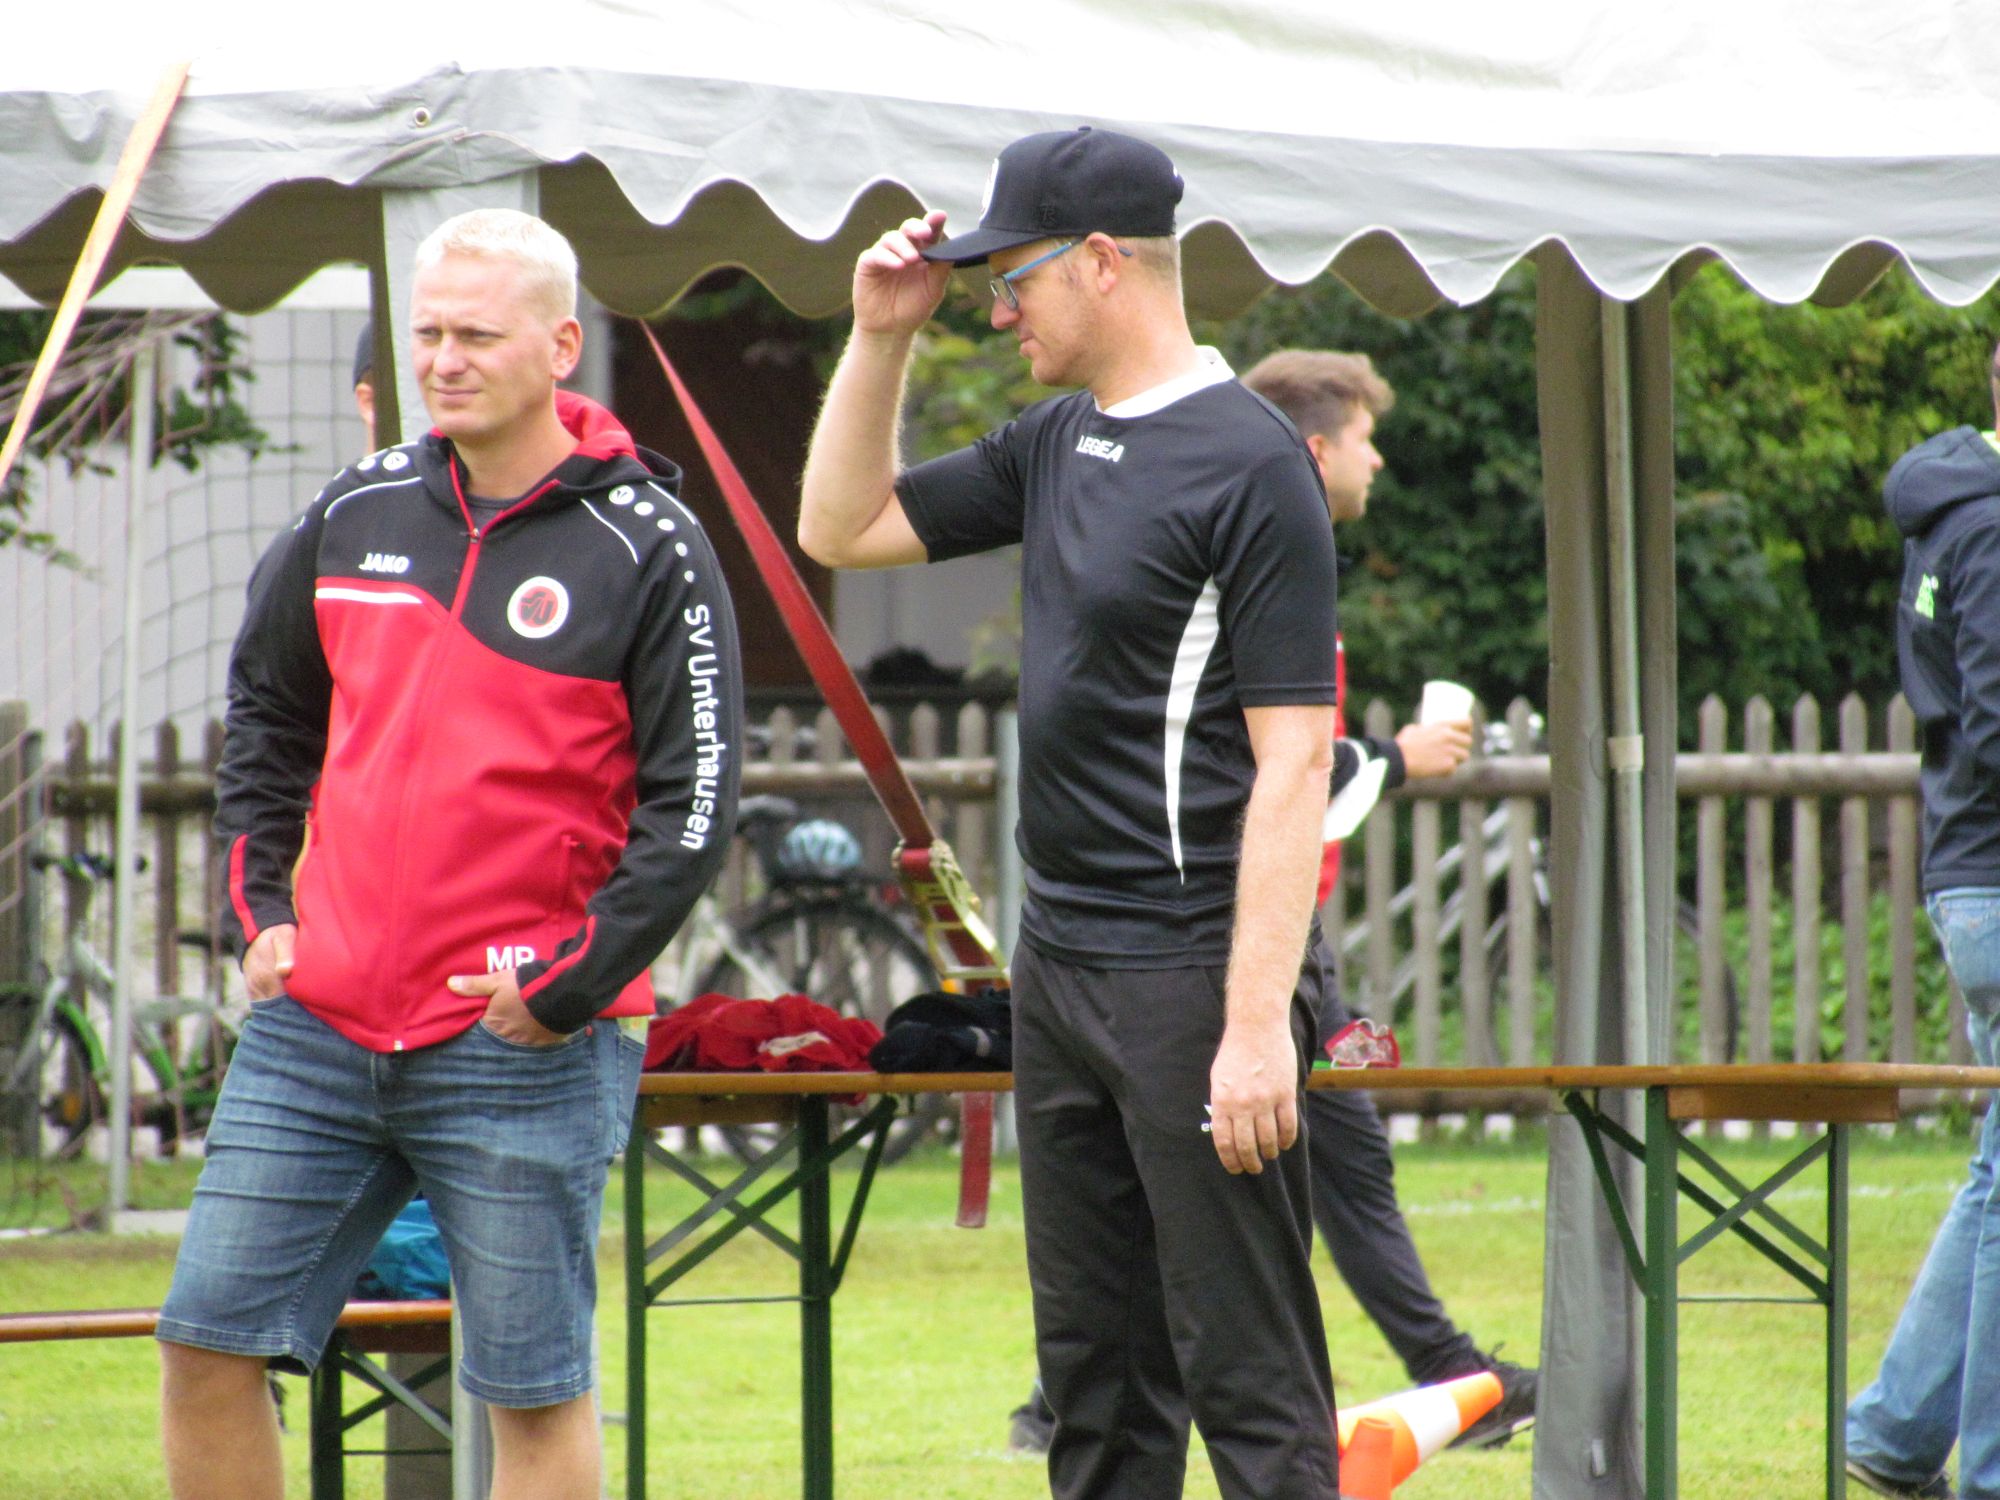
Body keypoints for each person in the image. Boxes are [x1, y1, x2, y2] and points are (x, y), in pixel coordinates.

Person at [155, 207, 742, 1500]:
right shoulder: (354, 506)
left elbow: (694, 806)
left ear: (561, 347)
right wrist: (262, 906)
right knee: (204, 1346)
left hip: (520, 1038)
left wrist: (568, 985)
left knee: (528, 1394)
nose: (443, 360)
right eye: (427, 334)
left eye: (475, 334)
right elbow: (266, 715)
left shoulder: (651, 545)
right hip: (319, 1025)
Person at [800, 127, 1343, 1499]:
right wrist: (879, 338)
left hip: (1189, 975)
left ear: (1102, 263)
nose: (996, 310)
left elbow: (1294, 763)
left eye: (1013, 279)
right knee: (1094, 1392)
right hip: (1059, 965)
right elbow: (840, 527)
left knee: (1252, 1387)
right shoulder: (1056, 439)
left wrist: (1252, 1031)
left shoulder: (1252, 462)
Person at [1241, 349, 1538, 1444]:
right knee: (1302, 1157)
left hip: (1285, 929)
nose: (1379, 461)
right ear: (1317, 450)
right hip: (1259, 929)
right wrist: (1402, 758)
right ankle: (1456, 1377)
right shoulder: (1275, 565)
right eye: (1366, 440)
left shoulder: (1285, 554)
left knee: (1334, 1152)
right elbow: (1281, 772)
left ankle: (1454, 1374)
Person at [1843, 347, 2000, 1500]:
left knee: (1995, 1173)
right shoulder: (1990, 527)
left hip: (1971, 874)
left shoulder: (1956, 512)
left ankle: (1895, 1434)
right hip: (1993, 873)